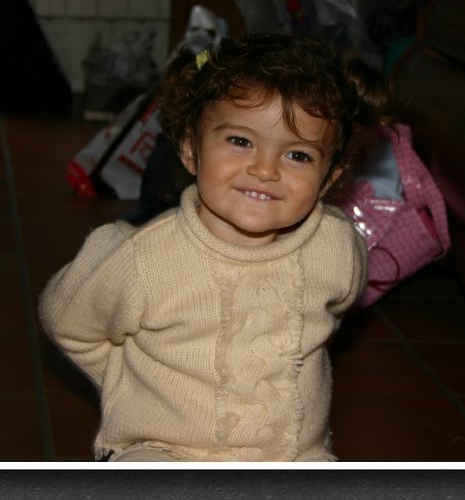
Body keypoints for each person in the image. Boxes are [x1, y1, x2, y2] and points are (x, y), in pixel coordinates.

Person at [39, 33, 392, 462]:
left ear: (329, 178)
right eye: (240, 141)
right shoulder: (143, 259)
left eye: (298, 155)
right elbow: (67, 320)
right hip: (165, 451)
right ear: (191, 148)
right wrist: (125, 380)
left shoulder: (336, 246)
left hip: (291, 455)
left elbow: (334, 305)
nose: (265, 169)